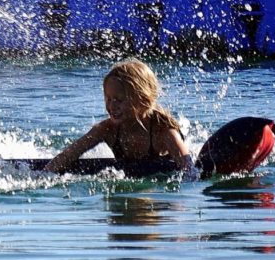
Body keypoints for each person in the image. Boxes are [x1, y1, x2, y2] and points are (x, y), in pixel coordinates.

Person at [45, 59, 193, 174]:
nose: (112, 106)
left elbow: (189, 169)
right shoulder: (105, 129)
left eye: (119, 100)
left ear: (143, 100)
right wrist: (42, 175)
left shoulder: (163, 131)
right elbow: (68, 156)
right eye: (108, 99)